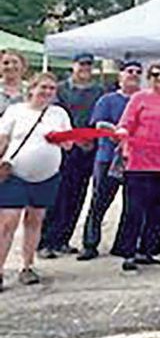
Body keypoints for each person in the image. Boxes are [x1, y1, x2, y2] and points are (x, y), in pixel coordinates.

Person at [111, 63, 160, 272]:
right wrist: (122, 135)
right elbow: (125, 124)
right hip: (139, 163)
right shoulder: (139, 98)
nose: (159, 78)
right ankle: (127, 252)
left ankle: (148, 250)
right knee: (134, 209)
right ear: (149, 78)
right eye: (155, 75)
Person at [0, 73, 73, 289]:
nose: (48, 92)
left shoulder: (58, 113)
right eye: (44, 87)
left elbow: (68, 144)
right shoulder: (16, 111)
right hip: (15, 174)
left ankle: (28, 266)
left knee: (35, 220)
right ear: (31, 88)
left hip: (46, 176)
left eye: (52, 89)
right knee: (7, 222)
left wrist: (61, 138)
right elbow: (2, 139)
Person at [78, 61, 143, 261]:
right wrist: (119, 134)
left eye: (138, 72)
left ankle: (124, 245)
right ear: (120, 75)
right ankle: (90, 244)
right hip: (108, 157)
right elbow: (99, 124)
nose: (133, 75)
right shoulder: (107, 100)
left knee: (132, 205)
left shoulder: (144, 100)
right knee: (99, 202)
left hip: (136, 160)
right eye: (129, 71)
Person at [40, 53, 102, 258]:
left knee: (77, 196)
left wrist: (91, 138)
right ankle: (45, 242)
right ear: (73, 66)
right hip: (63, 149)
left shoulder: (98, 90)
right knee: (57, 196)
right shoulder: (60, 89)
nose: (85, 68)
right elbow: (54, 116)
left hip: (87, 150)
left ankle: (63, 239)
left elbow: (99, 118)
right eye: (82, 64)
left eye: (89, 64)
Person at [0, 50, 27, 117]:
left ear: (23, 67)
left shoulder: (32, 89)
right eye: (6, 63)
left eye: (15, 63)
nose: (10, 66)